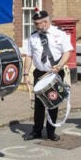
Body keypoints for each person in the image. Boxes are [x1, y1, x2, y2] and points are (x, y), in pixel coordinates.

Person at [23, 8, 73, 141]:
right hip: (39, 73)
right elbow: (28, 55)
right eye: (35, 24)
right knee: (39, 104)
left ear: (45, 22)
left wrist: (60, 65)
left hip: (55, 72)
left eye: (38, 23)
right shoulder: (33, 37)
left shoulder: (59, 34)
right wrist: (26, 74)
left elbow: (67, 52)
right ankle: (37, 131)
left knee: (53, 101)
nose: (36, 26)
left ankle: (51, 131)